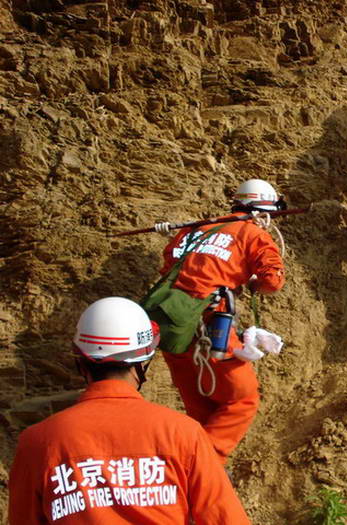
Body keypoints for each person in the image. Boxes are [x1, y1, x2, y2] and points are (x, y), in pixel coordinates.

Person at [8, 297, 250, 524]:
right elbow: (225, 518)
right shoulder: (184, 434)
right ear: (142, 363)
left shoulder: (37, 443)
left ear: (80, 362)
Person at [157, 178, 286, 464]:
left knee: (201, 408)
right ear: (263, 212)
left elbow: (169, 264)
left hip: (172, 325)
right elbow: (273, 281)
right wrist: (250, 281)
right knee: (242, 399)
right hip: (212, 327)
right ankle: (202, 468)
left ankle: (199, 468)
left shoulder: (196, 229)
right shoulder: (253, 235)